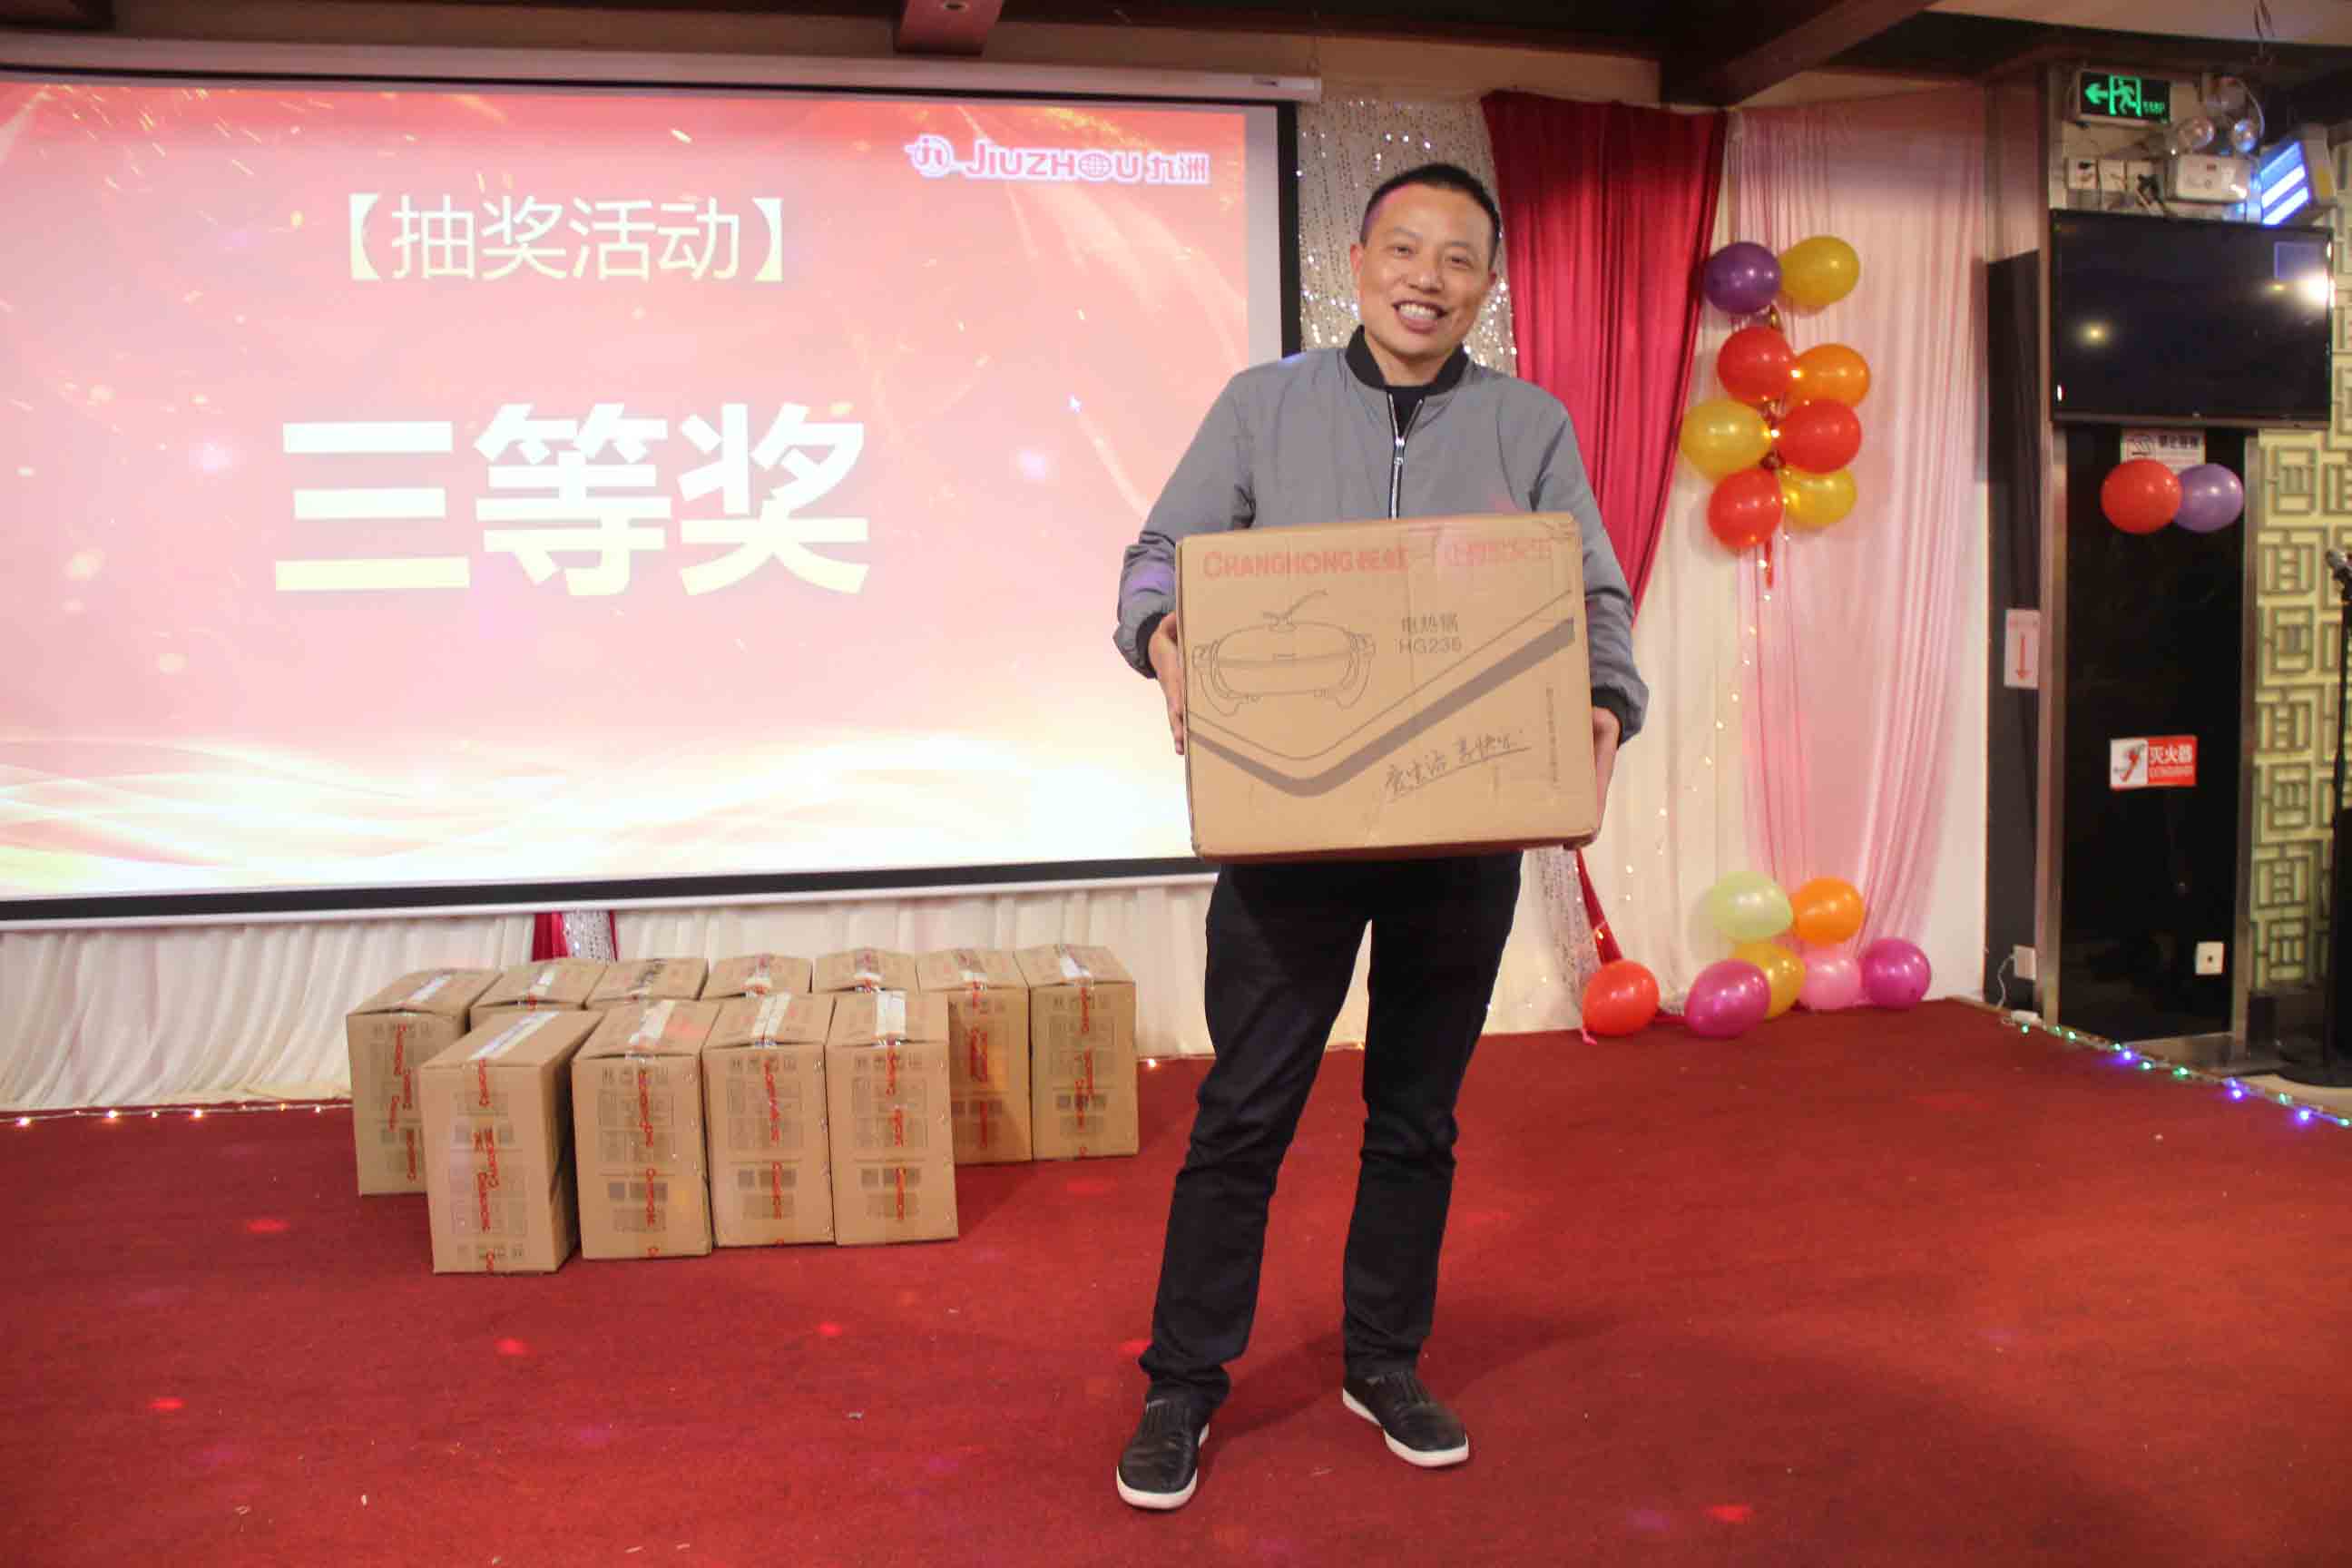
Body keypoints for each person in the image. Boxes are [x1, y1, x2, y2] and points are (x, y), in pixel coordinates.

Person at [1108, 162, 1649, 1511]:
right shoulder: (1264, 405)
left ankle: (1384, 1359)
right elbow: (1161, 552)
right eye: (1405, 249)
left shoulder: (1528, 423)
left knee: (1417, 1117)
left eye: (1459, 258)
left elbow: (1590, 588)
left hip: (1463, 831)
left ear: (1487, 285)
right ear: (1357, 263)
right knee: (1244, 1112)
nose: (1428, 278)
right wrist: (1161, 630)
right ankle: (1183, 1380)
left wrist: (1604, 694)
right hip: (1291, 834)